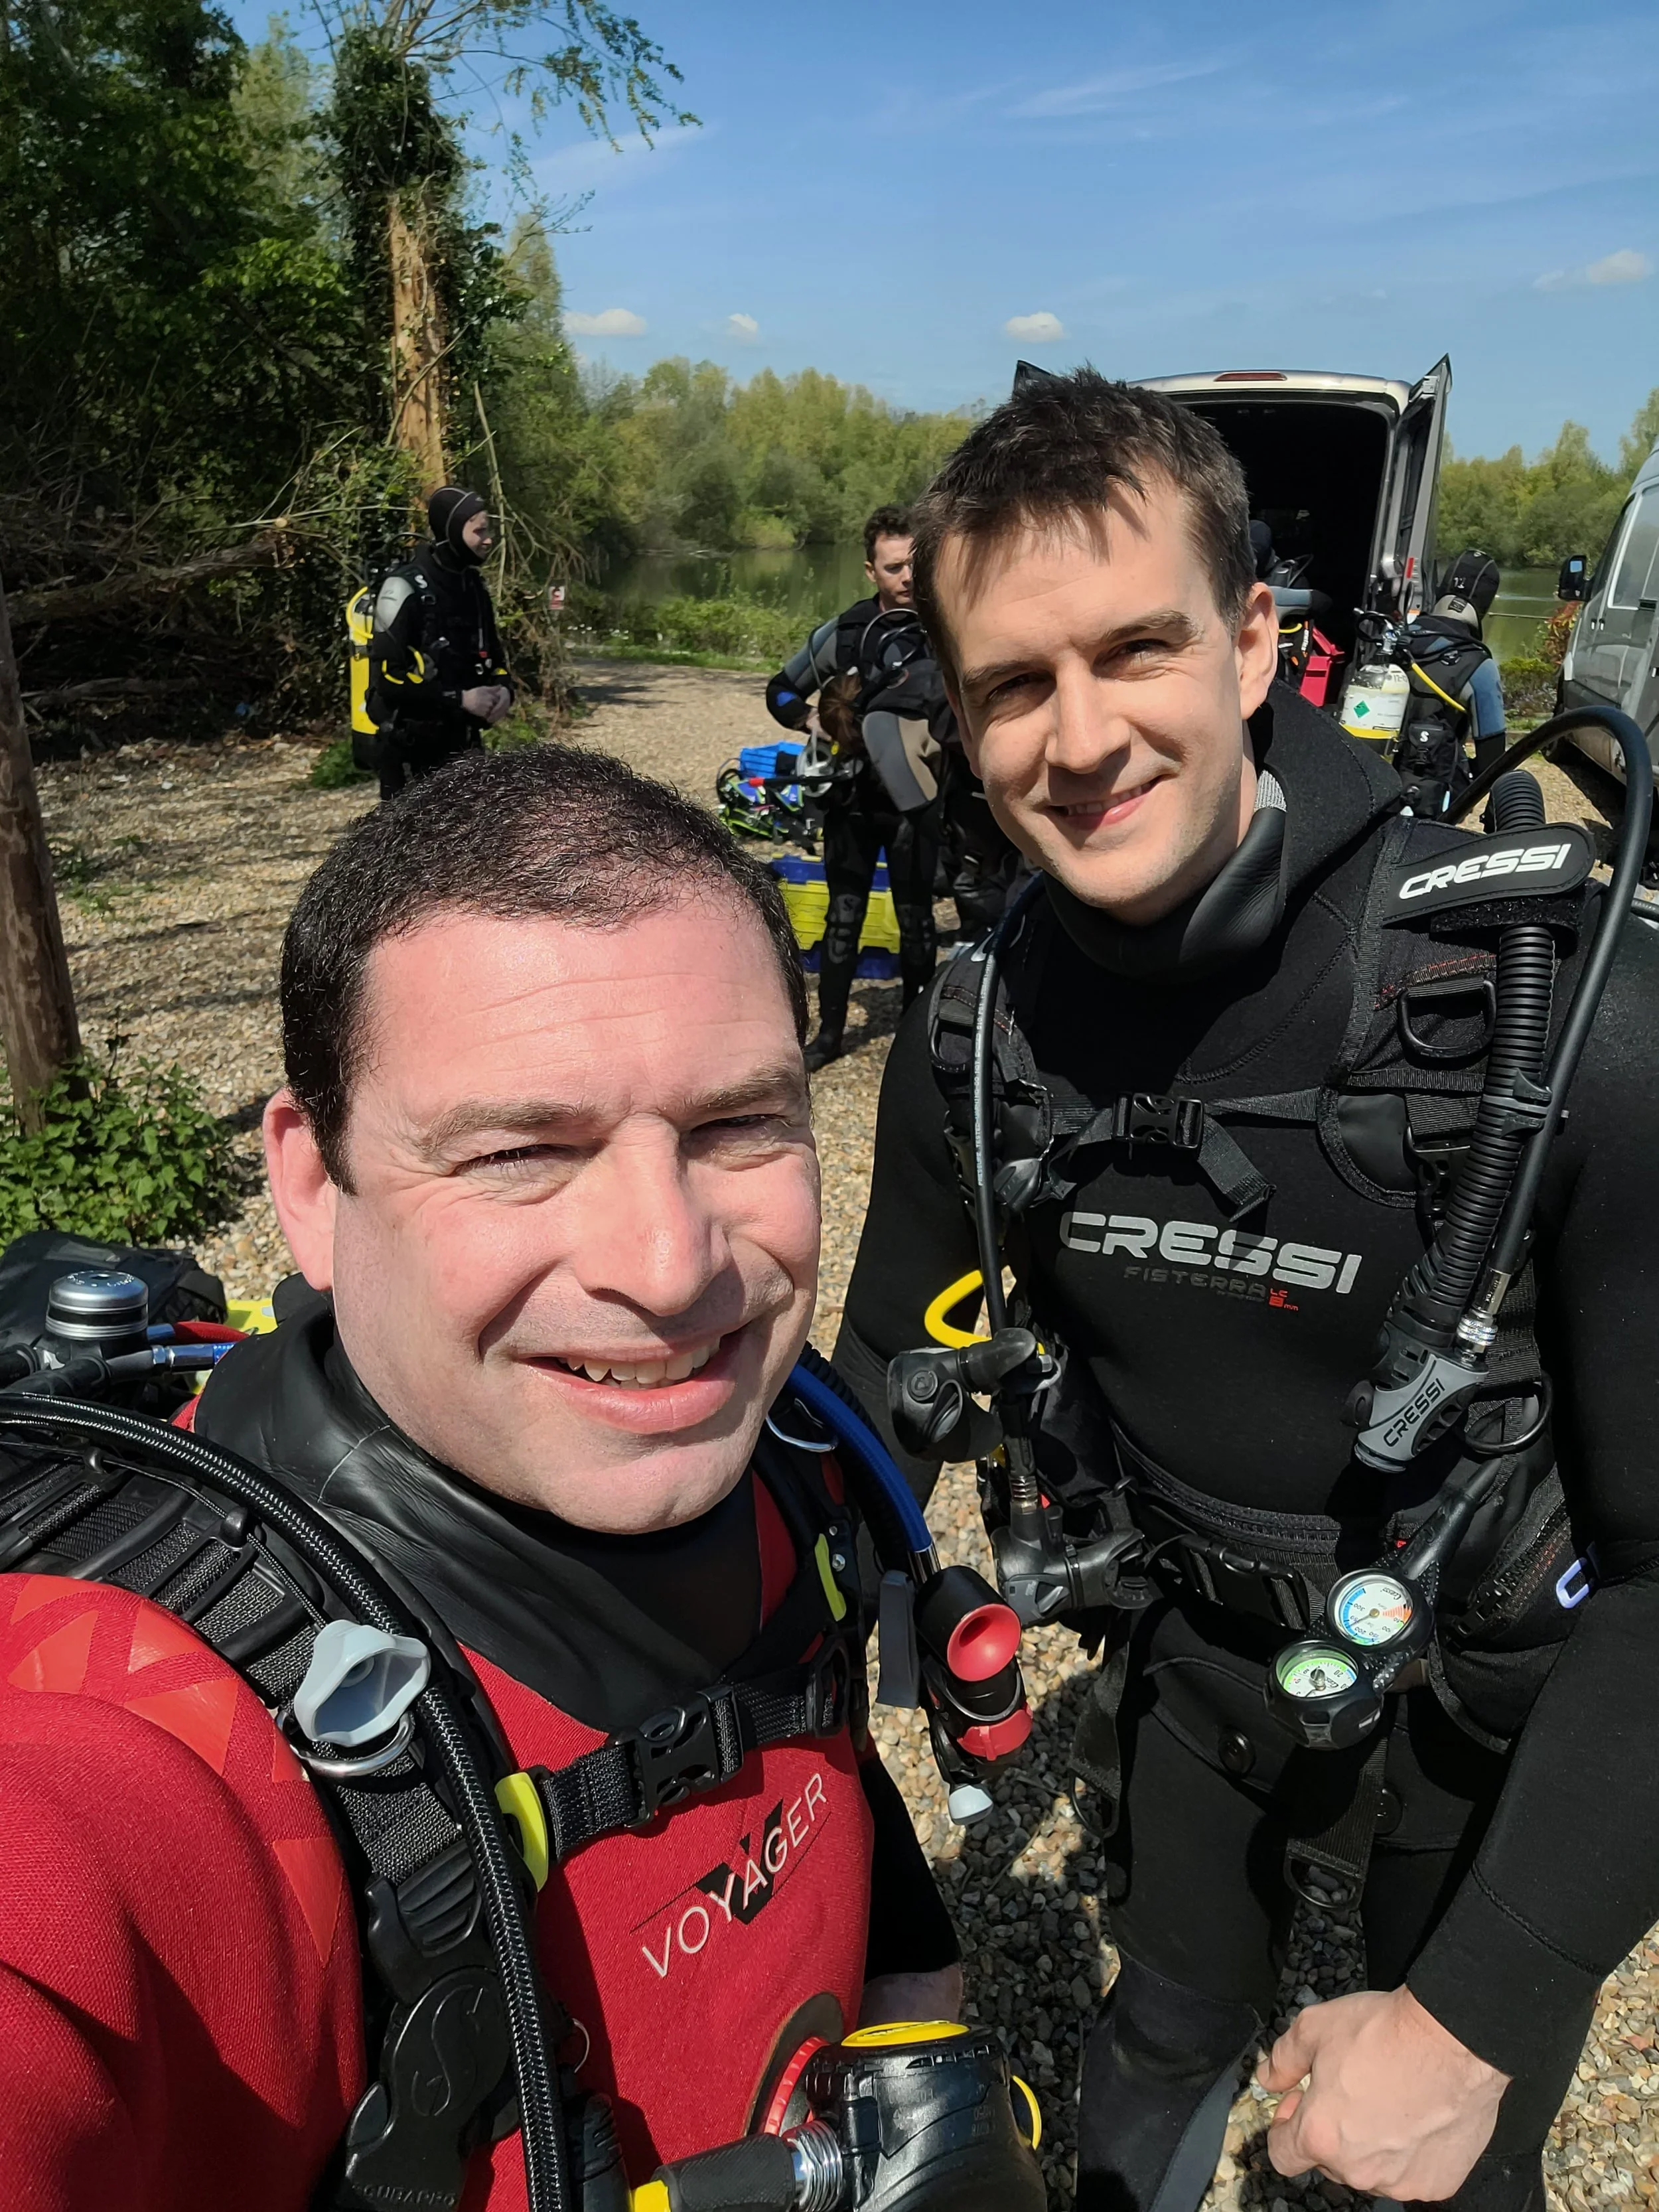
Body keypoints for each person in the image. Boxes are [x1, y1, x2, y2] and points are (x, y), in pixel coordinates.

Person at [834, 370, 1659, 2212]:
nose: (1081, 734)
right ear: (958, 723)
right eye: (1011, 685)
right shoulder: (977, 1033)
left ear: (1254, 644)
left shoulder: (1560, 1018)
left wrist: (1468, 2026)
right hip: (1190, 1668)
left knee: (1442, 2160)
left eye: (1137, 648)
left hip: (1486, 1714)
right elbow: (875, 1373)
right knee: (1151, 2055)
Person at [0, 746, 962, 2207]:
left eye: (736, 1125)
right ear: (313, 1187)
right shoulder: (148, 1729)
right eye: (521, 1148)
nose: (669, 1268)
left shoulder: (788, 1447)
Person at [765, 507, 946, 1071]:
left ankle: (919, 1042)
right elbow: (780, 691)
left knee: (917, 919)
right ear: (871, 571)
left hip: (918, 801)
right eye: (895, 568)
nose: (909, 578)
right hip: (851, 799)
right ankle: (829, 1035)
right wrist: (812, 723)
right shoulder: (844, 634)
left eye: (915, 564)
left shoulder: (950, 628)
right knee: (844, 916)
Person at [365, 486, 516, 803]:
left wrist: (504, 690)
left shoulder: (473, 587)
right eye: (480, 531)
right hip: (409, 750)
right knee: (410, 849)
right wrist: (460, 699)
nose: (489, 539)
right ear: (452, 530)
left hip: (463, 746)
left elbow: (496, 658)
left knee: (467, 846)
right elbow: (386, 680)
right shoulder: (402, 588)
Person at [1391, 549, 1508, 815]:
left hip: (1374, 781)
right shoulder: (1480, 665)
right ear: (1485, 604)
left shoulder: (1397, 642)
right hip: (1431, 802)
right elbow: (1493, 759)